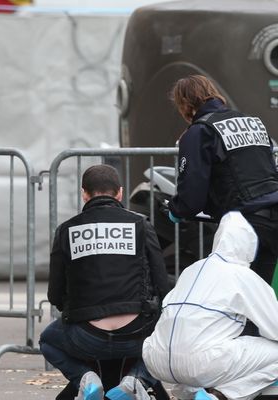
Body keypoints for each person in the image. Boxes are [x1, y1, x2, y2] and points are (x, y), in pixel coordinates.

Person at [39, 164, 169, 400]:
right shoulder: (140, 225)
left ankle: (86, 379)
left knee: (48, 339)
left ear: (84, 194)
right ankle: (136, 380)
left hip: (86, 337)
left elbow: (54, 295)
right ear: (119, 193)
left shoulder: (66, 230)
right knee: (170, 337)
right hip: (136, 335)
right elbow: (162, 284)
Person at [143, 211, 278, 400]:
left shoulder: (192, 269)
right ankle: (220, 396)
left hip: (155, 358)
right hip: (200, 362)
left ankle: (149, 390)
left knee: (192, 356)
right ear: (249, 245)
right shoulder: (242, 275)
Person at [167, 75, 278, 285]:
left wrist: (177, 209)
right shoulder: (252, 122)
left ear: (186, 104)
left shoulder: (199, 132)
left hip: (244, 224)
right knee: (257, 299)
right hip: (273, 218)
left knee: (230, 296)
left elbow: (192, 195)